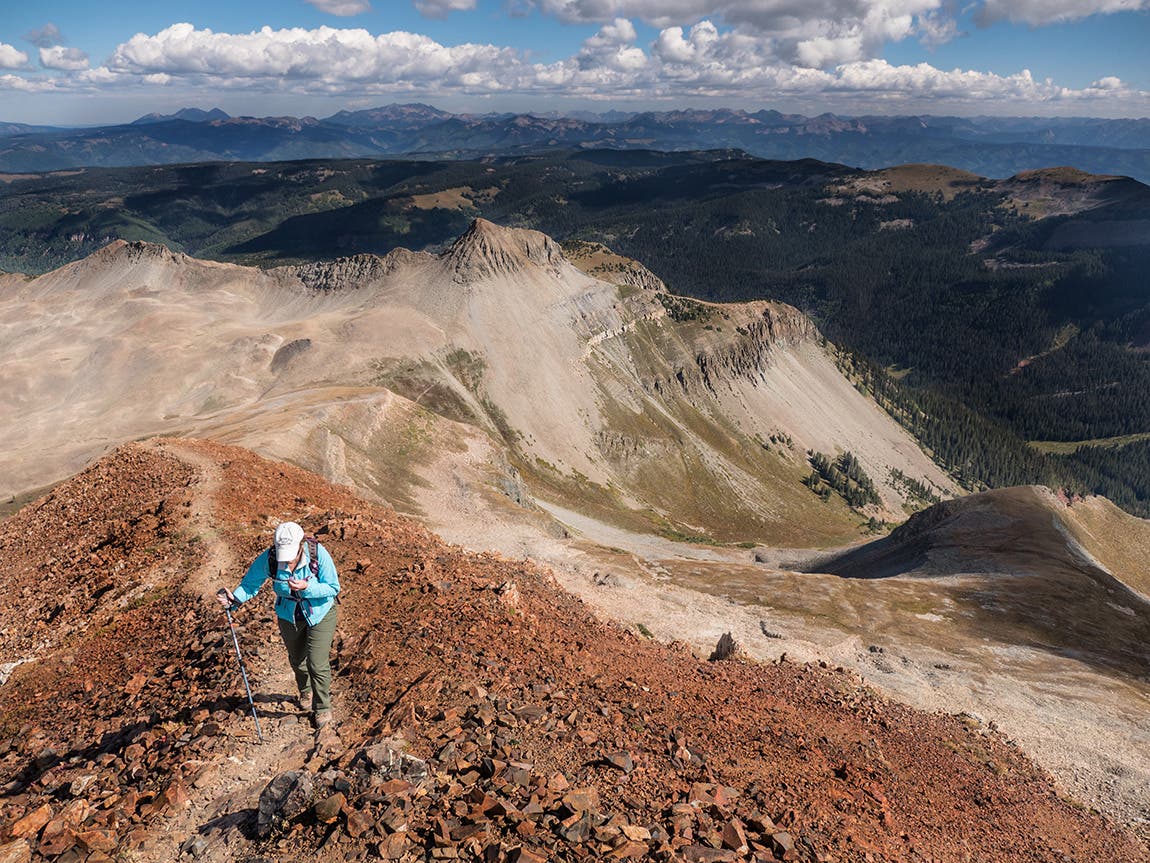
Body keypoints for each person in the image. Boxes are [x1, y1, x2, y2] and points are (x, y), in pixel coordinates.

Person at [217, 521, 341, 729]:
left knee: (316, 663)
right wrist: (234, 599)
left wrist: (307, 587)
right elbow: (250, 584)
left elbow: (333, 587)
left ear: (301, 545)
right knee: (297, 658)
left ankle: (322, 708)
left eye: (291, 553)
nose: (288, 559)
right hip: (288, 614)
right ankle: (306, 690)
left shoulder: (317, 554)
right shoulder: (270, 558)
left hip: (321, 613)